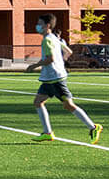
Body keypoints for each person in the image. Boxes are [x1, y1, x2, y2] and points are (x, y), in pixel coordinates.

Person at [24, 14, 103, 144]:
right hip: (49, 78)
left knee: (69, 105)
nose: (37, 26)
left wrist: (34, 65)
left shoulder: (47, 40)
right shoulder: (55, 38)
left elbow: (50, 59)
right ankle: (47, 132)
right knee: (38, 102)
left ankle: (93, 127)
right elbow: (68, 52)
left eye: (40, 24)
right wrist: (61, 62)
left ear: (47, 25)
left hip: (56, 79)